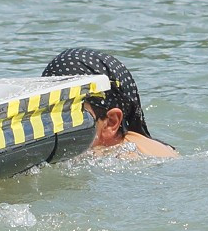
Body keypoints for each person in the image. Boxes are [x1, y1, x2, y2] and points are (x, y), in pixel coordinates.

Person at [42, 48, 178, 158]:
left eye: (67, 115)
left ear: (111, 122)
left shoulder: (126, 157)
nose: (53, 124)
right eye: (46, 110)